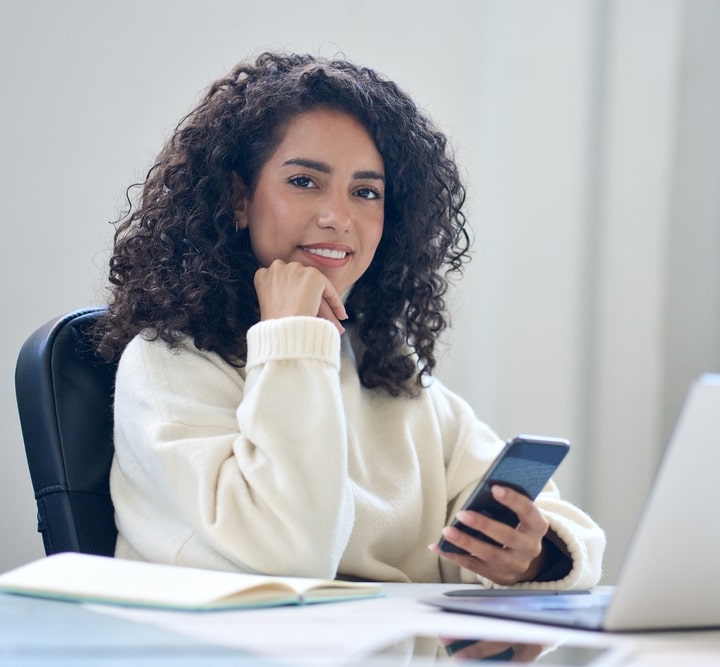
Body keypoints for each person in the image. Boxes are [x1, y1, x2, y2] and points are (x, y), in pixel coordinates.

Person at [91, 51, 605, 589]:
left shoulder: (383, 368)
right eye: (304, 182)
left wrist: (531, 557)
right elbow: (293, 554)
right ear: (239, 198)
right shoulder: (168, 366)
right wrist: (293, 337)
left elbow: (564, 527)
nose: (338, 217)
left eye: (366, 192)